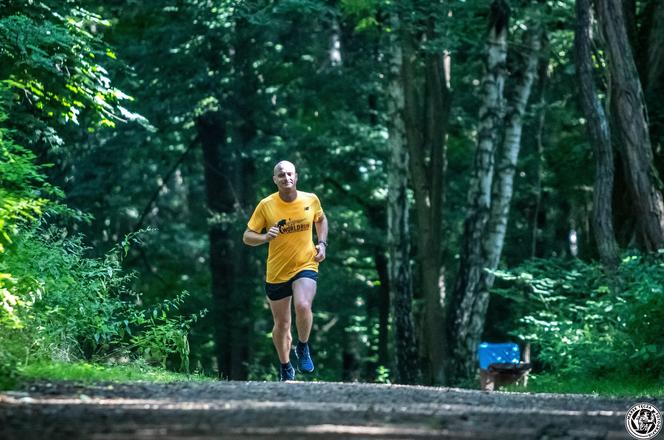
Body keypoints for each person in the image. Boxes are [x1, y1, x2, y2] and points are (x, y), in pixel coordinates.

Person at [243, 160, 328, 381]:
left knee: (303, 304)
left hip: (305, 263)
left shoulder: (310, 199)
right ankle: (285, 366)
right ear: (275, 180)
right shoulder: (266, 205)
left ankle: (303, 346)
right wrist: (264, 237)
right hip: (277, 270)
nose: (286, 178)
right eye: (281, 175)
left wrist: (322, 243)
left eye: (290, 174)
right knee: (282, 323)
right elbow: (247, 236)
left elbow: (321, 219)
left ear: (296, 177)